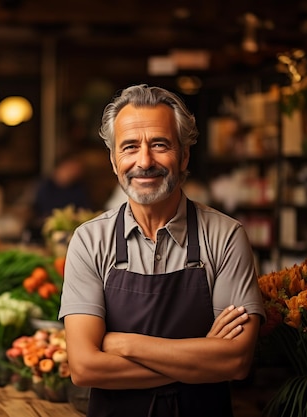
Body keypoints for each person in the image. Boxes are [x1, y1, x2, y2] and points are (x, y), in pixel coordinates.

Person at [58, 84, 265, 417]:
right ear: (114, 160)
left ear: (184, 155)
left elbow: (236, 361)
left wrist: (123, 344)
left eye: (159, 144)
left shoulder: (225, 237)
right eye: (129, 147)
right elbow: (85, 368)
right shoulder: (89, 240)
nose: (144, 161)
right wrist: (200, 360)